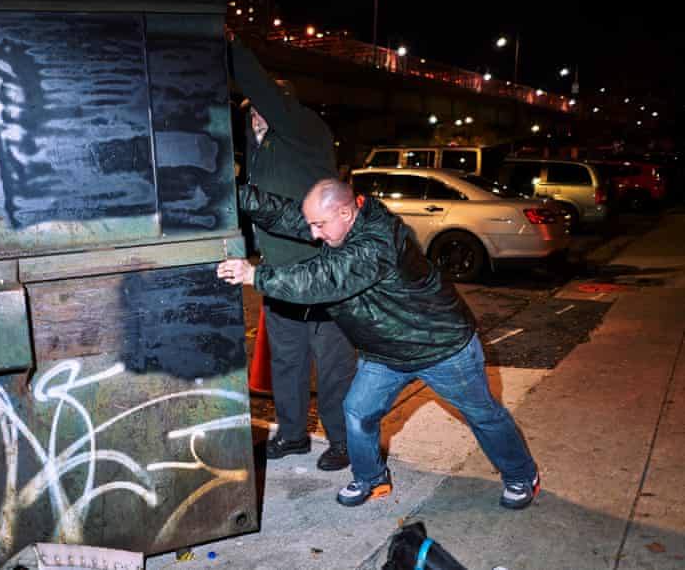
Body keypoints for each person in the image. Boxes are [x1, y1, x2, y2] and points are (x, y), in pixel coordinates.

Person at [216, 179, 540, 509]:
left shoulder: (377, 242)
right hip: (384, 352)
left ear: (345, 212)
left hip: (439, 348)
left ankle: (520, 475)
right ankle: (371, 478)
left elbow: (328, 278)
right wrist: (230, 188)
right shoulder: (341, 224)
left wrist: (255, 276)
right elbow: (288, 215)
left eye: (319, 225)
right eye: (313, 224)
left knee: (483, 415)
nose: (313, 234)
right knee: (357, 411)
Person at [228, 36, 357, 471]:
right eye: (253, 112)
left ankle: (343, 442)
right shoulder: (259, 147)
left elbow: (264, 93)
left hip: (322, 273)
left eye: (266, 106)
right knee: (286, 360)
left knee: (334, 366)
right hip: (280, 274)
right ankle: (294, 435)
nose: (258, 116)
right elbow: (256, 203)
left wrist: (231, 46)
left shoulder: (306, 130)